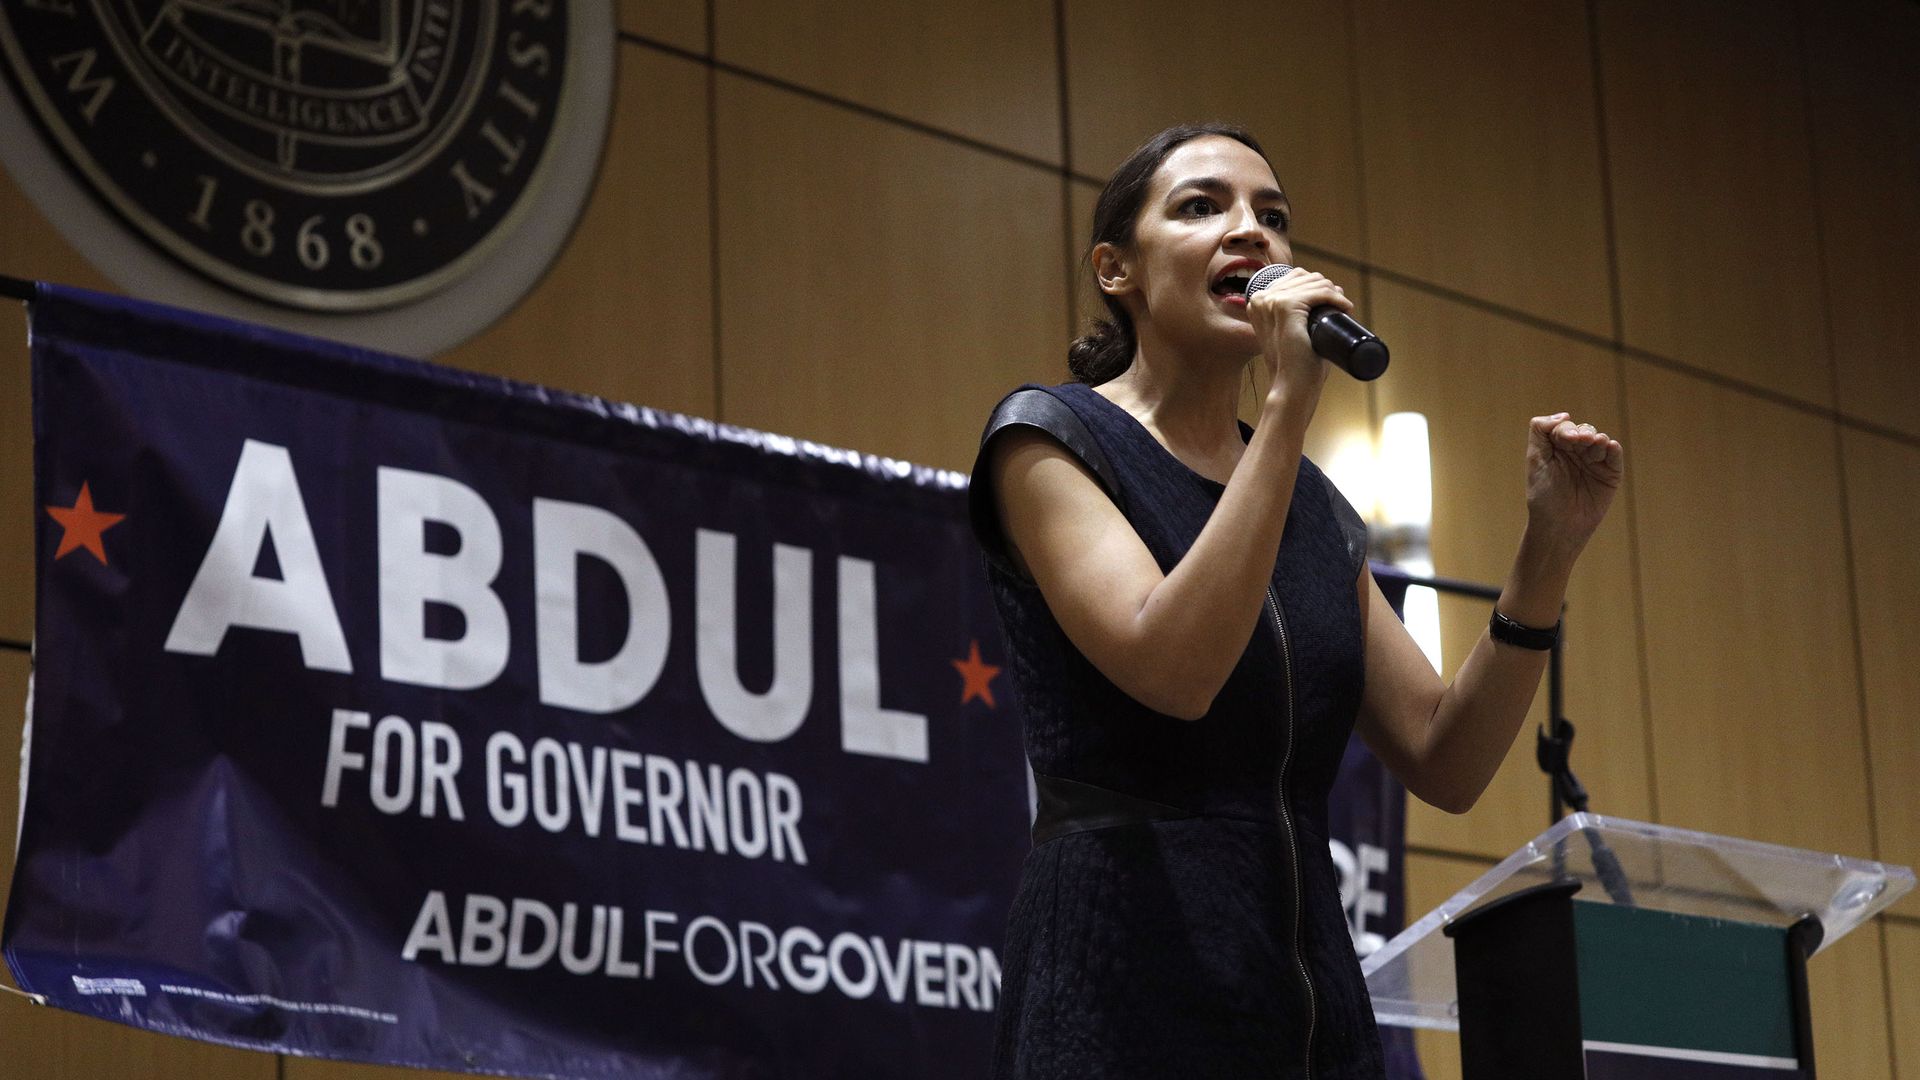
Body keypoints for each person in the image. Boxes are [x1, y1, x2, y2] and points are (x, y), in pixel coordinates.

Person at [966, 123, 1624, 1079]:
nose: (1252, 234)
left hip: (1304, 1002)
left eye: (1272, 217)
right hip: (1124, 989)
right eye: (1202, 207)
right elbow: (1175, 670)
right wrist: (1287, 409)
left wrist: (1547, 554)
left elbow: (1448, 758)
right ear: (1118, 270)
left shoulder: (1311, 507)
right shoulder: (1050, 441)